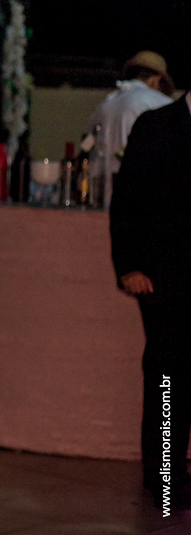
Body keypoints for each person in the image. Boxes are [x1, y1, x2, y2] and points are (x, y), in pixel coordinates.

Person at [110, 88, 191, 512]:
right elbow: (125, 203)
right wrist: (128, 267)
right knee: (166, 373)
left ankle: (174, 473)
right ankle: (163, 477)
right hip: (159, 278)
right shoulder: (156, 126)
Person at [88, 50, 174, 205]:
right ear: (157, 80)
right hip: (145, 201)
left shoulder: (105, 105)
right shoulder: (161, 104)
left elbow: (89, 146)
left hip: (104, 199)